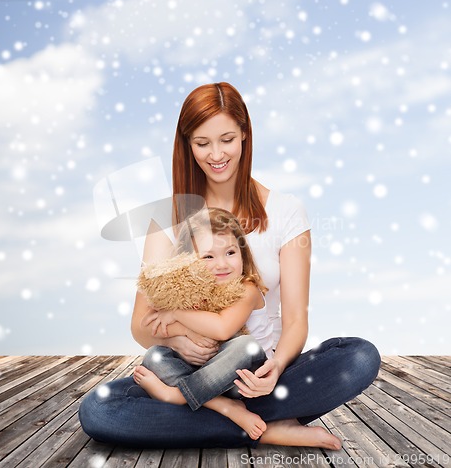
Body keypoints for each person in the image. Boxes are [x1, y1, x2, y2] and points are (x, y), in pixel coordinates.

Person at [79, 82, 381, 450]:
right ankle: (263, 427)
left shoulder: (286, 211)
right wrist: (176, 340)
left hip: (260, 374)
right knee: (99, 409)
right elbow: (141, 325)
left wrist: (276, 369)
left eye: (226, 140)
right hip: (190, 373)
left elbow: (296, 320)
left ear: (244, 136)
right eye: (202, 143)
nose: (216, 154)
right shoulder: (166, 220)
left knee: (360, 356)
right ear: (186, 145)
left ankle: (223, 414)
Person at [134, 207, 276, 440]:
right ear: (188, 263)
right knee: (154, 356)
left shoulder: (247, 289)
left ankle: (177, 396)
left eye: (230, 252)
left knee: (245, 345)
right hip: (208, 379)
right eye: (208, 257)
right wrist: (178, 328)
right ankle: (223, 407)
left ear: (243, 253)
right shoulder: (192, 294)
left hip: (246, 379)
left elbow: (222, 329)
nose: (222, 264)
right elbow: (150, 324)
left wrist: (177, 314)